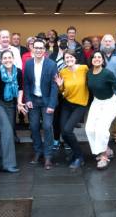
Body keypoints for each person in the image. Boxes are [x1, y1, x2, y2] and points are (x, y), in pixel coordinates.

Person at [24, 38, 58, 170]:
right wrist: (27, 99)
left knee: (48, 126)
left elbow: (55, 86)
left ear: (44, 50)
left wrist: (51, 104)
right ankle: (38, 152)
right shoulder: (28, 64)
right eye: (36, 48)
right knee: (33, 127)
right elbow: (26, 83)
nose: (38, 50)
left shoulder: (51, 64)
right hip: (33, 100)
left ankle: (48, 155)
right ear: (32, 49)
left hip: (47, 101)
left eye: (41, 48)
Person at [55, 49, 89, 169]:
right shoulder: (63, 72)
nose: (69, 59)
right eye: (66, 58)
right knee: (63, 132)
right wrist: (60, 87)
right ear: (64, 60)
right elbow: (62, 90)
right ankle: (76, 153)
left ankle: (79, 156)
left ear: (75, 58)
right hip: (67, 104)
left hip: (80, 104)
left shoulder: (84, 68)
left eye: (71, 57)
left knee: (68, 130)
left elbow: (92, 81)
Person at [0, 50, 26, 173]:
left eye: (9, 57)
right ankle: (8, 164)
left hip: (11, 104)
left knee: (6, 131)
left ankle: (1, 156)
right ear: (1, 60)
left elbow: (21, 89)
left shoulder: (18, 72)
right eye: (4, 58)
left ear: (13, 59)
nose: (7, 60)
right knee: (7, 131)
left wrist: (19, 103)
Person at [100, 34, 116, 145]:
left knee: (115, 112)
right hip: (102, 88)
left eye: (110, 41)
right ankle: (106, 134)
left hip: (115, 88)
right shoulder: (99, 54)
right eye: (106, 41)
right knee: (103, 113)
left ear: (113, 42)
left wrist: (114, 85)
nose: (108, 43)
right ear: (102, 43)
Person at [49, 34, 68, 150]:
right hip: (56, 91)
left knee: (66, 117)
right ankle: (56, 139)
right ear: (57, 43)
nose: (63, 43)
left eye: (65, 41)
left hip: (68, 91)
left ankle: (66, 140)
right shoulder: (52, 56)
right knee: (56, 117)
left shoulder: (71, 54)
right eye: (61, 41)